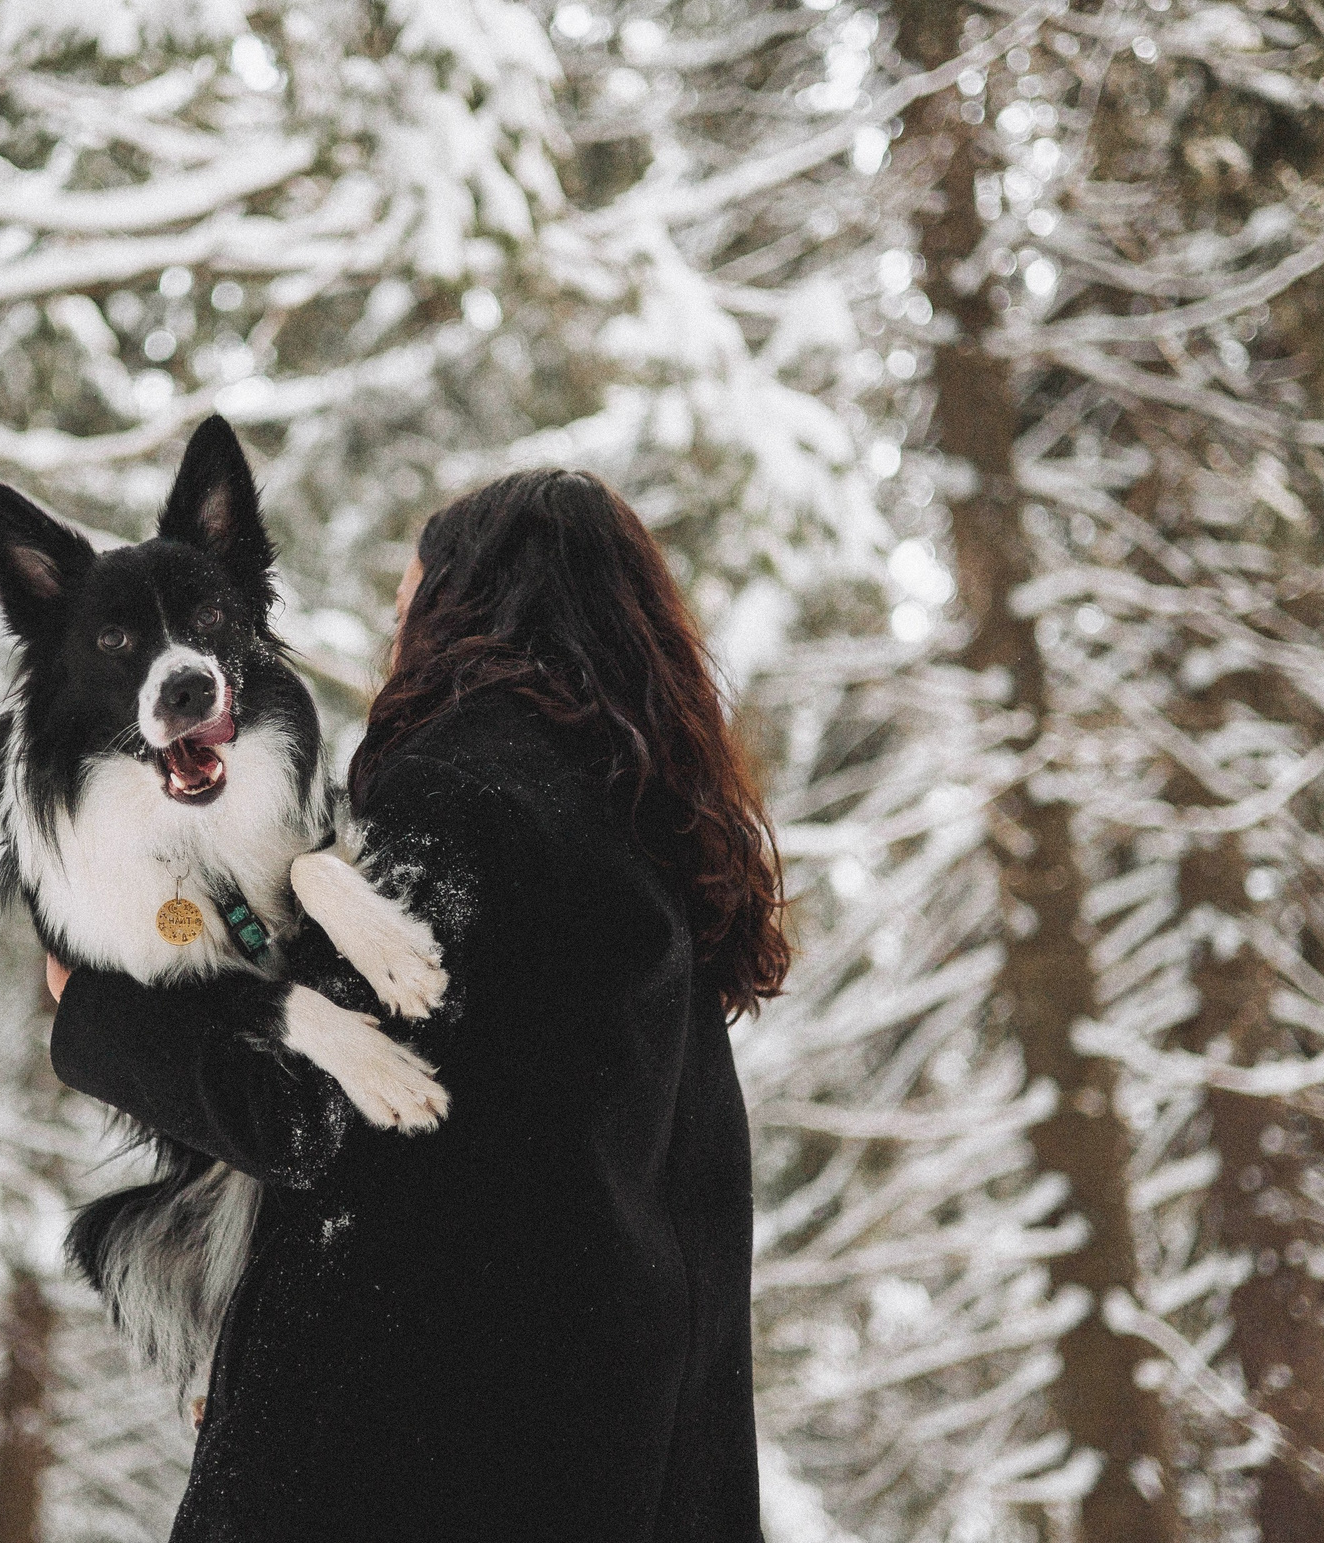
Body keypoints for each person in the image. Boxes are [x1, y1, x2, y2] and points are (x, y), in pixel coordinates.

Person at [46, 469, 789, 1542]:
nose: (399, 643)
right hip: (604, 1466)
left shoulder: (463, 793)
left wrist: (97, 1012)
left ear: (466, 612)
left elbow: (302, 1106)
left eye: (411, 608)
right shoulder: (651, 840)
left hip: (404, 1466)